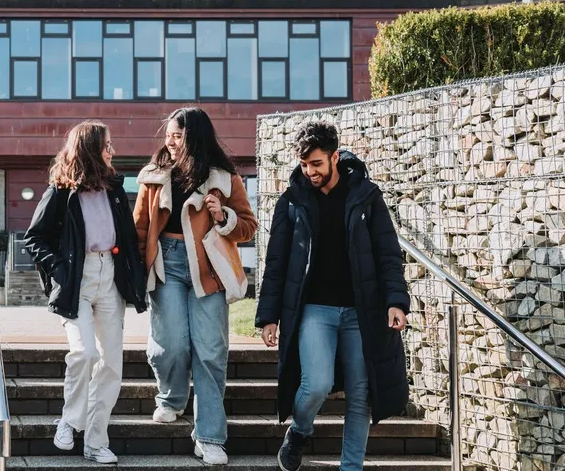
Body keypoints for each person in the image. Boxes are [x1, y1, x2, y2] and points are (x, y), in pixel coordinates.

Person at [255, 121, 410, 471]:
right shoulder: (292, 201)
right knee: (317, 384)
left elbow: (388, 253)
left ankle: (350, 467)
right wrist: (268, 316)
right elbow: (276, 262)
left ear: (335, 157)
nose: (309, 172)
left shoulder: (366, 197)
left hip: (361, 312)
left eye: (317, 164)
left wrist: (396, 301)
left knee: (360, 393)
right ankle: (299, 431)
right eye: (305, 164)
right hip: (314, 310)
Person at [132, 107, 258, 465]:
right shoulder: (154, 175)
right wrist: (137, 270)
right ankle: (171, 398)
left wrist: (223, 216)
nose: (169, 141)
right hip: (166, 263)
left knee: (209, 351)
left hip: (208, 269)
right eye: (168, 135)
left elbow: (248, 227)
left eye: (177, 135)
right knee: (170, 343)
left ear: (195, 137)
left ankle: (210, 436)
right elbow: (140, 228)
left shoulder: (224, 177)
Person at [22, 120, 148, 464]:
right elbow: (34, 238)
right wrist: (61, 269)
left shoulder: (115, 189)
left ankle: (95, 442)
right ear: (91, 149)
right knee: (85, 353)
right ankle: (69, 420)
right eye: (107, 145)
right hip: (77, 278)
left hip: (110, 278)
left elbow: (126, 237)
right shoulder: (62, 191)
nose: (113, 150)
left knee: (111, 366)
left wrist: (135, 276)